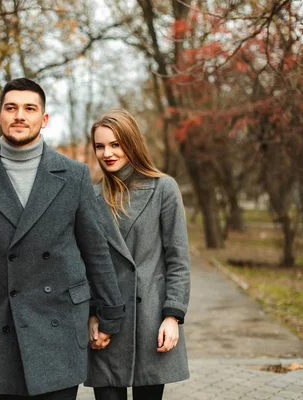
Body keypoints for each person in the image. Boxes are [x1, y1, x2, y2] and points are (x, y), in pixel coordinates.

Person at [0, 78, 125, 400]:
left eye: (29, 108)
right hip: (0, 328)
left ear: (44, 119)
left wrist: (108, 315)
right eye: (11, 108)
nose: (19, 115)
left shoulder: (73, 175)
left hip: (60, 325)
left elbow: (96, 250)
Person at [85, 109, 191, 400]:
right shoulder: (91, 198)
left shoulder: (163, 189)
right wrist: (92, 315)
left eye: (116, 144)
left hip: (150, 320)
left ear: (131, 143)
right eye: (100, 145)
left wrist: (173, 316)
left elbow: (177, 259)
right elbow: (85, 266)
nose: (107, 153)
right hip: (106, 322)